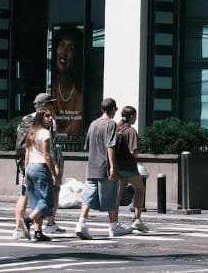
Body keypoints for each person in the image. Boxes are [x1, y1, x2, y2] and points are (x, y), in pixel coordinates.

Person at [74, 97, 132, 239]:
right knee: (111, 196)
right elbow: (110, 146)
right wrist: (112, 166)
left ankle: (81, 223)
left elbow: (87, 146)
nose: (115, 112)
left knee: (88, 197)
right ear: (112, 109)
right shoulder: (111, 124)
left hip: (92, 167)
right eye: (116, 109)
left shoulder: (93, 124)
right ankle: (113, 227)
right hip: (104, 166)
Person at [13, 93, 65, 239]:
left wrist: (26, 166)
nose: (53, 107)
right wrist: (55, 170)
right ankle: (31, 222)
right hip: (42, 167)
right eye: (51, 103)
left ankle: (21, 229)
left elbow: (26, 149)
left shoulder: (25, 121)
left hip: (28, 166)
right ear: (45, 105)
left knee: (26, 196)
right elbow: (49, 151)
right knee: (47, 201)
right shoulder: (48, 124)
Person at [22, 108, 61, 242]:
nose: (51, 118)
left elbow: (27, 153)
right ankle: (28, 220)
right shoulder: (45, 133)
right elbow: (46, 155)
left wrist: (26, 171)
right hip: (41, 169)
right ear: (40, 118)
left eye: (51, 116)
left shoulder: (32, 132)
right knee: (48, 202)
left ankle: (38, 233)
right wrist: (54, 173)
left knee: (36, 203)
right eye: (47, 116)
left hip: (31, 169)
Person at [114, 105, 148, 232]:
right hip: (129, 167)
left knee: (117, 196)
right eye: (136, 116)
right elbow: (133, 151)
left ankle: (114, 222)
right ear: (132, 116)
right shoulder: (131, 131)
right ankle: (137, 220)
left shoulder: (117, 129)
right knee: (140, 190)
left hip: (116, 167)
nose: (136, 118)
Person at [50, 27, 85, 139]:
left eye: (71, 48)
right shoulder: (51, 89)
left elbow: (73, 134)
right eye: (62, 45)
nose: (64, 53)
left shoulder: (81, 94)